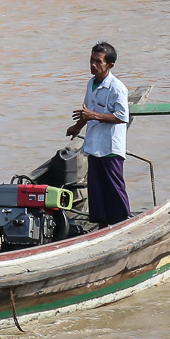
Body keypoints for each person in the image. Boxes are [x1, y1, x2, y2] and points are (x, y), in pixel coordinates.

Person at [66, 41, 131, 226]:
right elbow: (88, 110)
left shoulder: (117, 88)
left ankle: (122, 223)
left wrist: (93, 115)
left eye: (98, 61)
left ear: (109, 65)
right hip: (94, 146)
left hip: (110, 147)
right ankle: (102, 225)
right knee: (96, 189)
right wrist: (78, 126)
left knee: (114, 187)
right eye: (91, 60)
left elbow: (122, 116)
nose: (93, 65)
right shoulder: (91, 83)